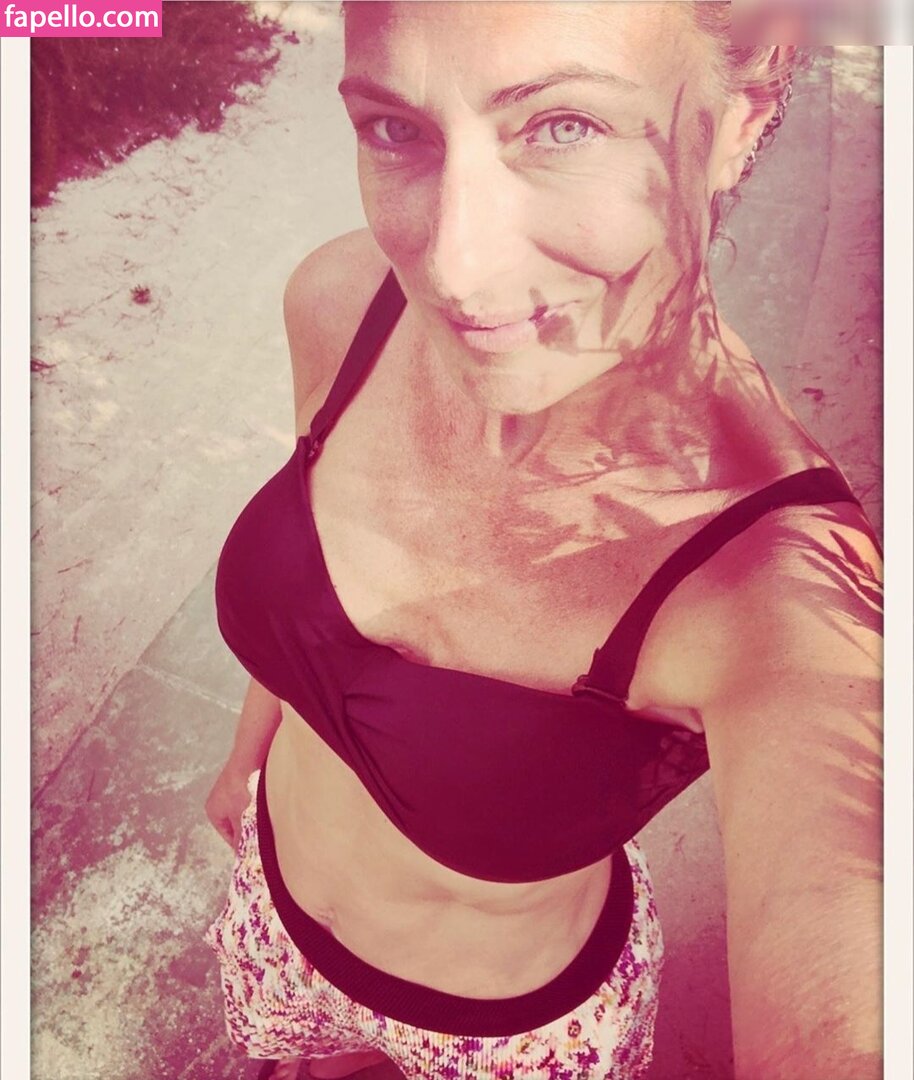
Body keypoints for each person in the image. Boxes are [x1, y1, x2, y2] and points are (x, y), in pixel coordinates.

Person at [204, 3, 883, 1078]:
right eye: (395, 129)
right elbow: (310, 601)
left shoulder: (778, 596)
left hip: (507, 1038)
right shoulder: (344, 300)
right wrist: (245, 759)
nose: (454, 265)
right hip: (273, 923)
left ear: (741, 112)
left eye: (564, 125)